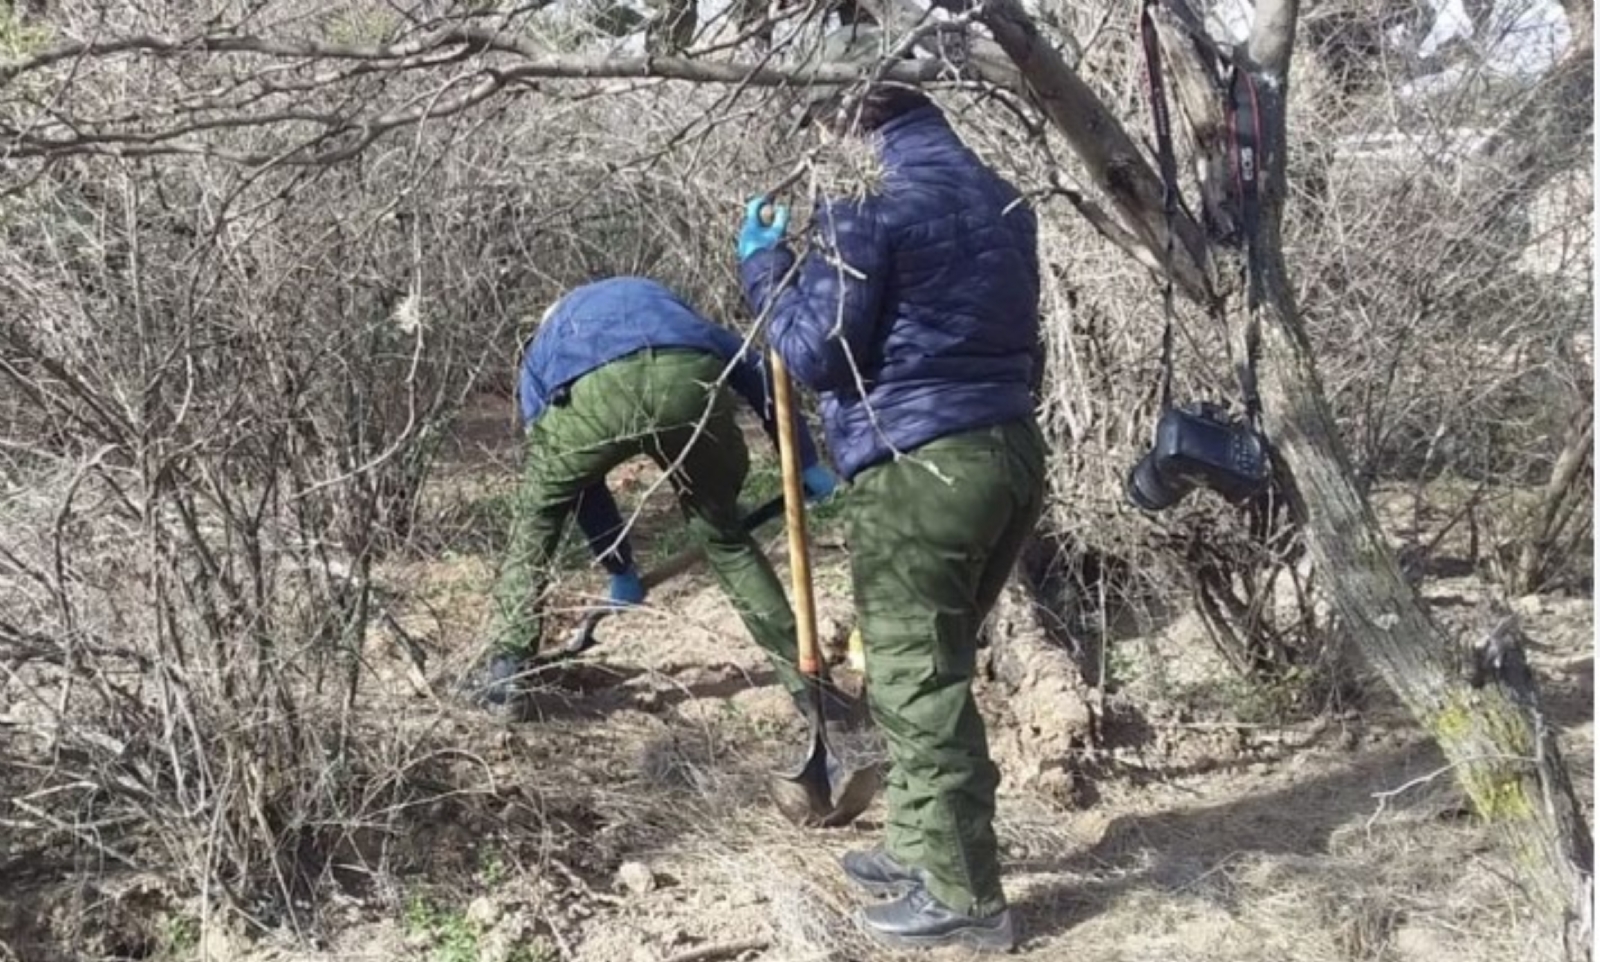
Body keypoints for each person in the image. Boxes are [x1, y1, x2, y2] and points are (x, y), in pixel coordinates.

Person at [736, 23, 1046, 954]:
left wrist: (762, 269)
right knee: (932, 667)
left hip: (923, 471)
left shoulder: (867, 199)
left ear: (848, 116)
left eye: (820, 131)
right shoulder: (1001, 195)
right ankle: (919, 847)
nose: (817, 153)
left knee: (918, 685)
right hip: (1008, 453)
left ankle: (965, 900)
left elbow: (816, 353)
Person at [474, 276, 841, 718]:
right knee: (725, 539)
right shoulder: (666, 308)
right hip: (687, 377)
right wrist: (802, 460)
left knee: (536, 521)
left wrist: (620, 566)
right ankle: (814, 694)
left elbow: (578, 490)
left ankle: (505, 675)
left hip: (586, 404)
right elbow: (757, 370)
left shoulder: (540, 358)